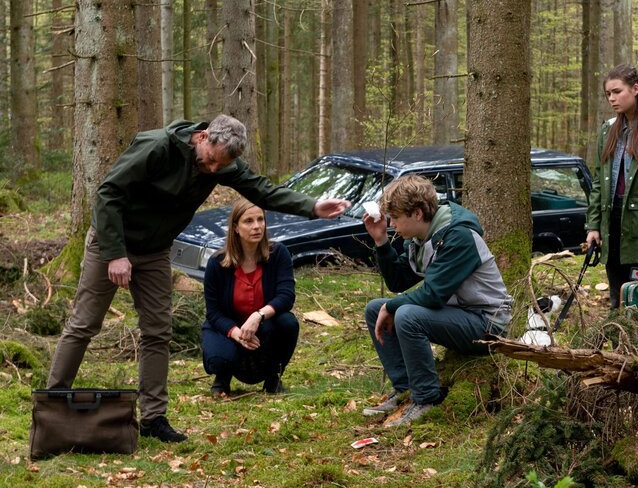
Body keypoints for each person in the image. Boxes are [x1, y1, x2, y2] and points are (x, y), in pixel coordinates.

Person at [47, 115, 349, 442]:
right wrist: (115, 252)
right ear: (203, 137)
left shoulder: (221, 162)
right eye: (211, 161)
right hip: (112, 241)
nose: (214, 170)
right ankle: (52, 404)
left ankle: (153, 418)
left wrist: (313, 206)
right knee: (84, 324)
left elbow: (263, 190)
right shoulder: (157, 146)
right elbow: (109, 192)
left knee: (157, 331)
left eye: (222, 166)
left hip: (155, 251)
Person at [361, 175, 513, 427]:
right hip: (461, 316)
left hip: (488, 325)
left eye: (396, 218)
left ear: (418, 213)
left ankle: (425, 400)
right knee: (374, 309)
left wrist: (392, 306)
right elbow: (398, 281)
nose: (392, 224)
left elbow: (433, 295)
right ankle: (405, 389)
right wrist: (381, 241)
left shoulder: (458, 236)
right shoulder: (422, 239)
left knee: (407, 315)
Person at [585, 64, 638, 309]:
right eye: (608, 94)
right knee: (617, 294)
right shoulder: (608, 129)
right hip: (611, 221)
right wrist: (593, 224)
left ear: (635, 89)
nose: (612, 99)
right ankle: (618, 335)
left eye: (617, 91)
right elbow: (598, 182)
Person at [202, 199, 298, 397]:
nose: (257, 226)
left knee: (288, 322)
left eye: (260, 219)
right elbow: (213, 312)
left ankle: (273, 379)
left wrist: (258, 315)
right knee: (219, 358)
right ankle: (222, 378)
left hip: (264, 325)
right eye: (248, 221)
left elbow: (286, 296)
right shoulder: (217, 263)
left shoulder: (278, 254)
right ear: (236, 227)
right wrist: (236, 333)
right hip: (228, 328)